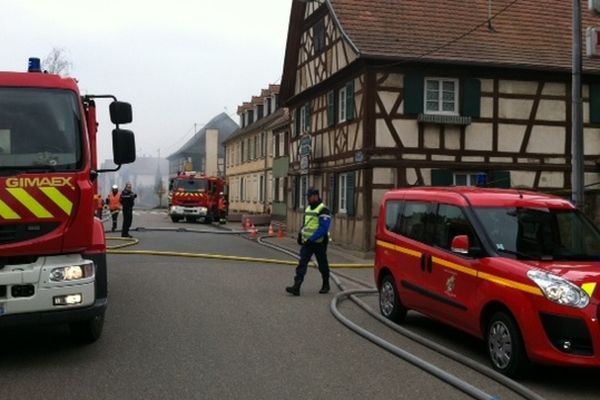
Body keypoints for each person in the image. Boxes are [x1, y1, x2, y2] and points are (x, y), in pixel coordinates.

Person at [286, 187, 332, 296]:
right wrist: (300, 234)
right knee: (302, 263)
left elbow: (323, 228)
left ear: (316, 196)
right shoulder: (308, 209)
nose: (308, 198)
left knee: (322, 265)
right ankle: (296, 286)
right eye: (307, 196)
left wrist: (312, 239)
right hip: (307, 243)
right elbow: (306, 224)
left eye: (309, 196)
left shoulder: (323, 210)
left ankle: (326, 284)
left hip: (319, 243)